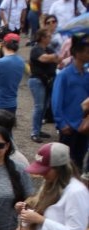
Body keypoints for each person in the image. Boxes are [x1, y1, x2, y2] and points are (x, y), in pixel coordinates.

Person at [51, 33, 89, 172]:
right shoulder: (64, 75)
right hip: (68, 126)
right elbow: (56, 100)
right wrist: (61, 123)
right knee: (64, 163)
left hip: (83, 126)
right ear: (78, 53)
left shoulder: (86, 75)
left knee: (79, 161)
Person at [28, 29, 59, 144]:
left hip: (47, 81)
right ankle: (34, 132)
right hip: (37, 80)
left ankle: (38, 129)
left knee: (44, 107)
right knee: (39, 106)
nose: (50, 38)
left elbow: (57, 60)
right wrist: (59, 54)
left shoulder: (49, 49)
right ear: (42, 38)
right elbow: (45, 58)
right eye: (48, 36)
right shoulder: (36, 49)